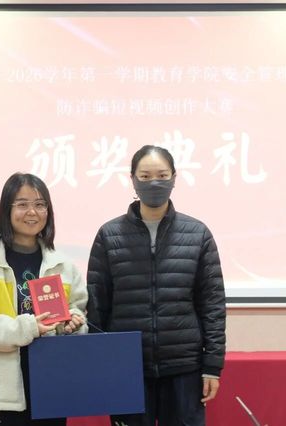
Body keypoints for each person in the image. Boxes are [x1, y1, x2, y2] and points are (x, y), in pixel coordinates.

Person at [86, 145, 226, 426]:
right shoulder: (109, 235)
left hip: (184, 368)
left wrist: (212, 366)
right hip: (126, 367)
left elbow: (212, 306)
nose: (154, 183)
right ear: (133, 179)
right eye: (145, 176)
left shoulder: (197, 234)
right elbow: (97, 305)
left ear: (174, 178)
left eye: (162, 175)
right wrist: (100, 364)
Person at [0, 172, 88, 426]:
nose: (32, 212)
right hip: (1, 392)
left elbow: (77, 309)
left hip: (51, 387)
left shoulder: (63, 265)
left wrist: (73, 322)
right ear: (7, 209)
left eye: (40, 204)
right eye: (22, 204)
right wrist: (27, 328)